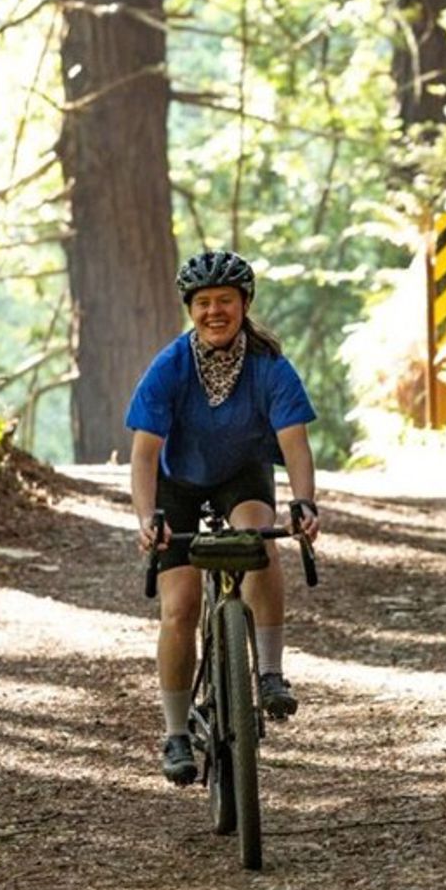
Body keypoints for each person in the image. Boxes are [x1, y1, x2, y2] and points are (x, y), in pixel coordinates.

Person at [126, 251, 321, 785]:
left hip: (242, 472)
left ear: (244, 305)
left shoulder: (270, 366)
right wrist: (148, 519)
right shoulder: (169, 368)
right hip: (178, 483)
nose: (216, 311)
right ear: (191, 310)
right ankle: (175, 734)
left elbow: (295, 445)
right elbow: (143, 455)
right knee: (181, 606)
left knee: (259, 538)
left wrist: (303, 502)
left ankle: (272, 671)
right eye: (204, 303)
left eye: (226, 302)